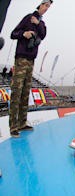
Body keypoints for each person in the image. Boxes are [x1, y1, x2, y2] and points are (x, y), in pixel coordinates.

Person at [8, 0, 52, 138]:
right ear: (40, 4)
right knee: (17, 91)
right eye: (45, 5)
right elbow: (13, 33)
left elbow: (43, 35)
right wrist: (24, 34)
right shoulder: (28, 18)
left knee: (26, 92)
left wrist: (38, 24)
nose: (46, 8)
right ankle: (13, 126)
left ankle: (22, 123)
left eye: (48, 7)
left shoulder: (42, 24)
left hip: (31, 60)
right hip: (21, 58)